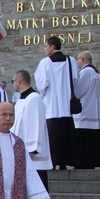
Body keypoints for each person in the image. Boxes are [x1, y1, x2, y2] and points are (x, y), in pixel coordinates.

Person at [12, 70, 53, 199]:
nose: (13, 84)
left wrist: (32, 149)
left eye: (13, 81)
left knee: (36, 182)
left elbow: (35, 125)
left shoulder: (34, 98)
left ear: (18, 81)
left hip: (32, 152)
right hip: (22, 150)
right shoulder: (22, 100)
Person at [34, 36, 78, 169]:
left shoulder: (45, 62)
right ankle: (64, 163)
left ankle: (52, 162)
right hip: (66, 106)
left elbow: (42, 84)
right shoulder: (71, 61)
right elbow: (76, 79)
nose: (45, 49)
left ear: (53, 46)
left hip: (51, 106)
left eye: (46, 46)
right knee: (66, 135)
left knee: (52, 136)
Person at [73, 51, 100, 169]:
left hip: (86, 113)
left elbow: (78, 91)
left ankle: (82, 162)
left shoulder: (86, 72)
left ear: (83, 59)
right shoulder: (96, 73)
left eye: (78, 58)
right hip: (94, 113)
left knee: (84, 143)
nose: (77, 61)